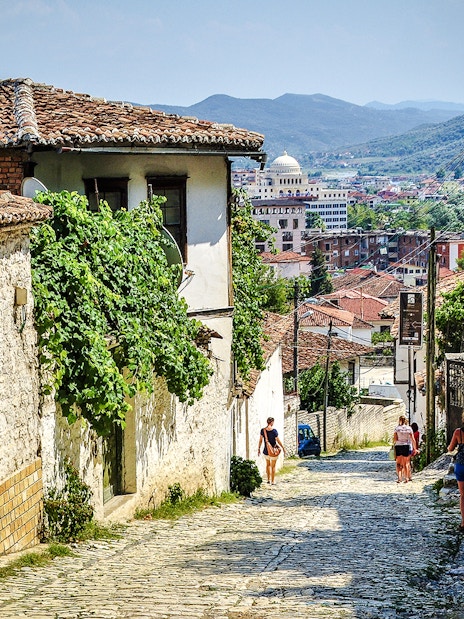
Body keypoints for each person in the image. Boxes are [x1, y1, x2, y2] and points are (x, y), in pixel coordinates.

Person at [447, 415, 464, 533]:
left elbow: (450, 448)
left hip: (461, 465)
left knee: (463, 495)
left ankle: (463, 523)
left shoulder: (458, 432)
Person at [258, 417, 285, 485]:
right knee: (273, 466)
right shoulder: (274, 431)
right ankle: (273, 481)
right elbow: (278, 440)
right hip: (273, 451)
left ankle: (268, 479)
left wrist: (258, 448)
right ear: (272, 422)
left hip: (266, 451)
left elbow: (260, 440)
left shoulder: (263, 430)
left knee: (268, 465)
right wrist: (283, 447)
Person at [393, 415, 416, 483]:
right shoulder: (409, 428)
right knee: (406, 463)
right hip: (406, 446)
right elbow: (413, 439)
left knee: (398, 463)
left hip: (398, 446)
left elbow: (395, 439)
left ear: (399, 420)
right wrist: (415, 448)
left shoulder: (397, 429)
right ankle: (406, 478)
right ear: (406, 420)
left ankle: (399, 478)